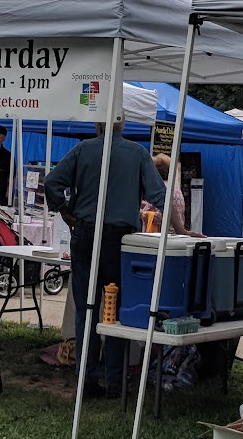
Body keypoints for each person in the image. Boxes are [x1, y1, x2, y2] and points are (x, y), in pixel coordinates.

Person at [46, 118, 166, 398]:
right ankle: (114, 380)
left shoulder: (83, 150)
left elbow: (52, 181)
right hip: (120, 239)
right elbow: (159, 194)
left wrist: (64, 210)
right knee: (115, 310)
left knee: (87, 309)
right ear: (122, 125)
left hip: (86, 234)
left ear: (97, 123)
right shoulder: (137, 153)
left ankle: (86, 379)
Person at [151, 154, 200, 237]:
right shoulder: (175, 187)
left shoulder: (160, 189)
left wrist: (142, 213)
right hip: (174, 235)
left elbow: (157, 217)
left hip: (161, 237)